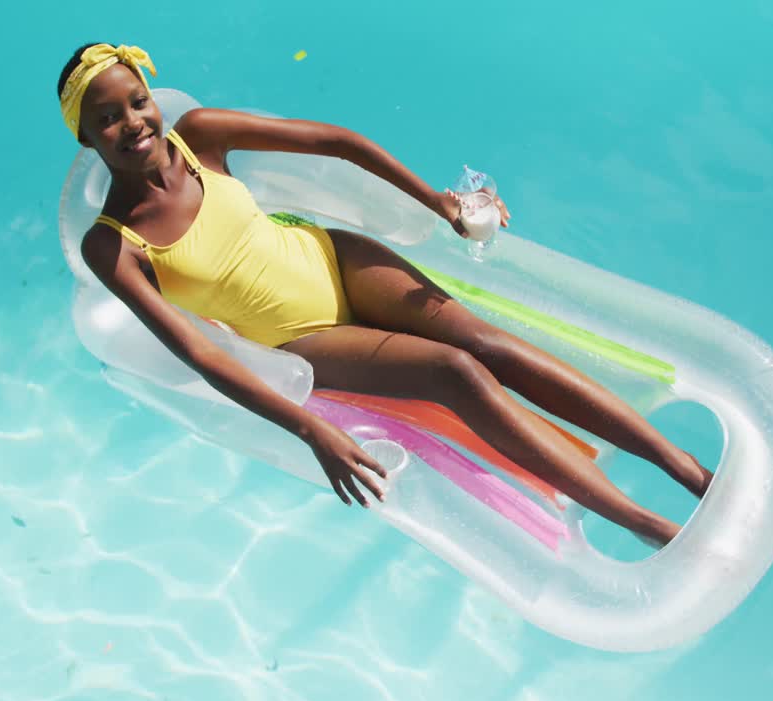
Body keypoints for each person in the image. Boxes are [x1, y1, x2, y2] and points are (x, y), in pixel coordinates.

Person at [59, 43, 713, 546]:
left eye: (137, 102)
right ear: (87, 139)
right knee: (457, 373)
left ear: (152, 97)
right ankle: (639, 520)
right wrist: (309, 430)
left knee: (491, 346)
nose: (133, 122)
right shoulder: (114, 244)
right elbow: (204, 355)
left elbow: (337, 142)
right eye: (108, 119)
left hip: (335, 260)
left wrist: (439, 201)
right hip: (306, 339)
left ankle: (684, 468)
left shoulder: (198, 135)